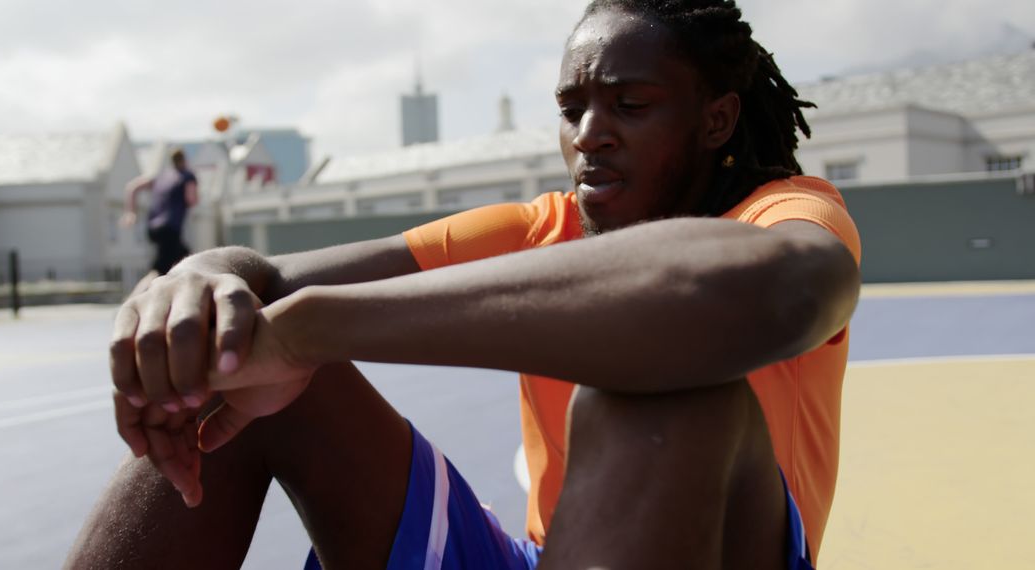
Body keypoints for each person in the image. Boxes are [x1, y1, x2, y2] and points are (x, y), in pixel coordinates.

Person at [67, 1, 861, 568]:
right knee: (235, 355)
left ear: (716, 121)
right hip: (540, 558)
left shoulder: (787, 212)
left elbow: (757, 294)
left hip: (722, 550)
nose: (589, 135)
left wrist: (309, 332)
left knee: (671, 391)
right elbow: (261, 279)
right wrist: (198, 278)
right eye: (572, 108)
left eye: (630, 104)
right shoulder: (539, 225)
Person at [121, 148, 199, 288]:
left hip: (153, 228)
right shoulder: (187, 176)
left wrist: (130, 212)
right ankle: (132, 303)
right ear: (184, 160)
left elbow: (132, 187)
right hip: (170, 229)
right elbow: (191, 199)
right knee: (157, 272)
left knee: (188, 258)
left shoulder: (161, 177)